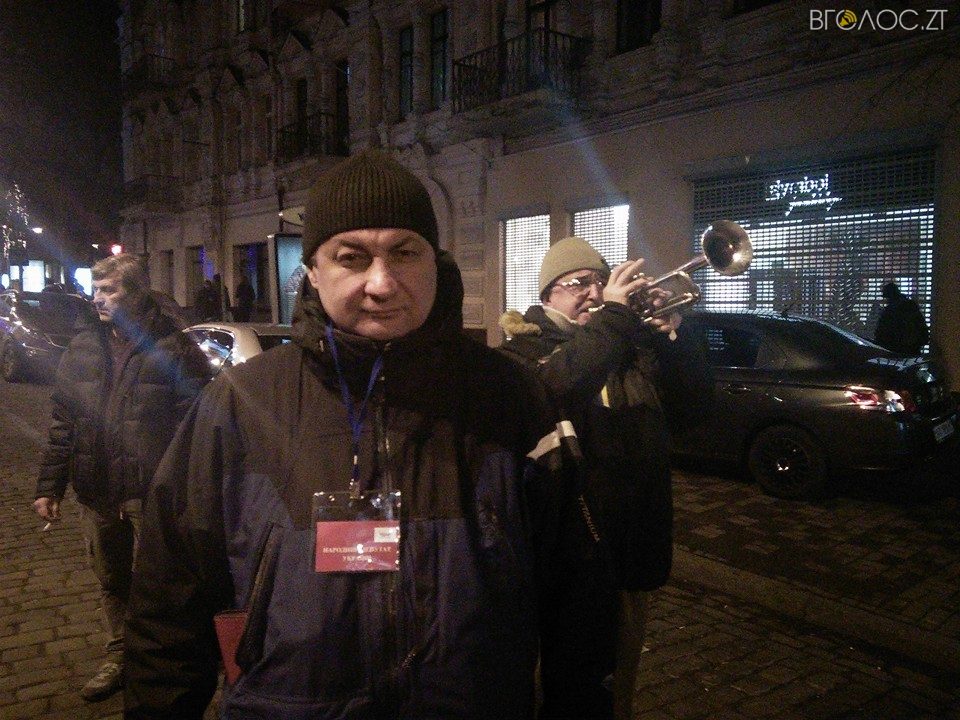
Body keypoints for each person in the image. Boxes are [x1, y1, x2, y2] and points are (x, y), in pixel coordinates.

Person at [124, 149, 647, 719]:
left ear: (435, 262)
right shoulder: (240, 403)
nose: (381, 283)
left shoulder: (514, 397)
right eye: (351, 258)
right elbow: (168, 605)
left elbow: (579, 602)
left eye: (404, 252)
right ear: (313, 271)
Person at [499, 237, 713, 720]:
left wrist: (673, 338)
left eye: (601, 282)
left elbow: (696, 413)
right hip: (560, 563)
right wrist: (616, 318)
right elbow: (554, 388)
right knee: (553, 689)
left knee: (614, 691)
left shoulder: (629, 350)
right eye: (579, 283)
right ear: (548, 293)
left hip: (627, 550)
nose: (594, 293)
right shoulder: (522, 350)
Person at [32, 253, 211, 702]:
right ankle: (119, 655)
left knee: (160, 583)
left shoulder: (173, 348)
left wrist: (185, 488)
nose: (98, 299)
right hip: (96, 489)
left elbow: (197, 425)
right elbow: (63, 421)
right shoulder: (83, 346)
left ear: (136, 293)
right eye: (96, 289)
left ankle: (159, 663)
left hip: (149, 493)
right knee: (111, 580)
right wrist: (49, 486)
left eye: (110, 290)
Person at [874, 281, 929, 356]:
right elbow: (922, 330)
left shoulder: (891, 311)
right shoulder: (911, 307)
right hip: (913, 350)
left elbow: (882, 332)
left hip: (896, 351)